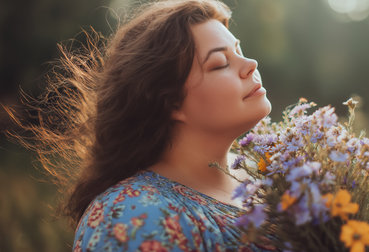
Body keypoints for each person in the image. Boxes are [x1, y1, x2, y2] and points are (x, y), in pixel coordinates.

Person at [7, 0, 277, 251]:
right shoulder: (133, 216)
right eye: (220, 64)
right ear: (171, 101)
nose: (251, 64)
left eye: (240, 51)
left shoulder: (270, 167)